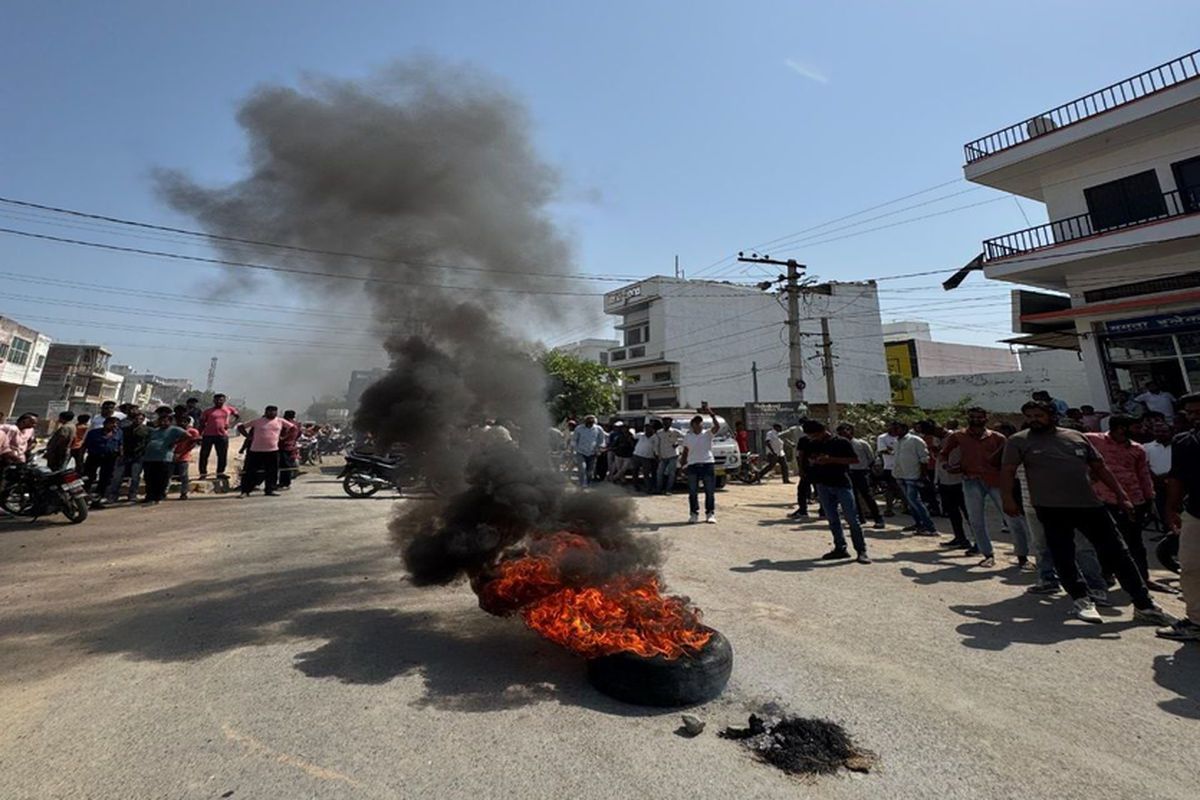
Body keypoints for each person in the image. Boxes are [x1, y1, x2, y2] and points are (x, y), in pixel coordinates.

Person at [1001, 400, 1176, 626]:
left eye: (1039, 415)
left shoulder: (1076, 437)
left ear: (1052, 415)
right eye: (1030, 415)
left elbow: (1100, 468)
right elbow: (1007, 471)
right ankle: (1081, 600)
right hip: (1050, 508)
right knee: (1064, 556)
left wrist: (1122, 496)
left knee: (1119, 553)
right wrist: (1007, 499)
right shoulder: (1019, 441)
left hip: (1089, 505)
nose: (1034, 419)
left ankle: (1144, 604)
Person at [1086, 416, 1173, 593]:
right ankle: (1106, 575)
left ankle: (1143, 578)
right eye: (1136, 427)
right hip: (1104, 499)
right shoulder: (1093, 440)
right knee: (1105, 541)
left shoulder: (1137, 449)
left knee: (1135, 542)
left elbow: (1144, 475)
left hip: (1133, 500)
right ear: (1120, 428)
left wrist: (1149, 499)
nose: (1141, 430)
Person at [942, 408, 1029, 567]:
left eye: (979, 417)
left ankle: (1022, 556)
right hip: (971, 479)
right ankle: (987, 554)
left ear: (985, 419)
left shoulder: (997, 437)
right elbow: (944, 453)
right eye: (973, 417)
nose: (976, 420)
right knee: (976, 520)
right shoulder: (959, 436)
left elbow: (1009, 458)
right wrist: (949, 466)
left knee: (1013, 519)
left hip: (996, 480)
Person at [1160, 392, 1200, 640]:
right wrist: (1171, 508)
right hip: (1196, 513)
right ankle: (1196, 621)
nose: (1196, 417)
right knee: (1191, 568)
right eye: (1192, 413)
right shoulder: (1184, 441)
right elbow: (1177, 478)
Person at [802, 421, 870, 563]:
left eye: (814, 435)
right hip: (823, 484)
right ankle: (840, 548)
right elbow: (808, 459)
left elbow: (854, 460)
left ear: (822, 431)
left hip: (841, 484)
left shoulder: (841, 443)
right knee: (833, 520)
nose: (812, 438)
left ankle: (861, 550)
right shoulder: (813, 444)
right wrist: (814, 462)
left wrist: (831, 460)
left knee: (852, 519)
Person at [892, 422, 937, 537]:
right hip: (900, 474)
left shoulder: (915, 440)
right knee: (910, 502)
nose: (894, 431)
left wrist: (922, 474)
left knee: (915, 501)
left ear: (903, 428)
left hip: (913, 475)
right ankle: (918, 524)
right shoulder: (897, 441)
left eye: (896, 428)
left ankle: (930, 527)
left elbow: (924, 458)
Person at [237, 406, 294, 497]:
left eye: (274, 412)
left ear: (276, 412)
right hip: (256, 450)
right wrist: (248, 436)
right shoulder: (258, 421)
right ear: (266, 412)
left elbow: (293, 428)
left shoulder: (280, 421)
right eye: (269, 411)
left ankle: (269, 489)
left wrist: (284, 437)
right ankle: (245, 491)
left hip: (273, 450)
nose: (271, 413)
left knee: (272, 471)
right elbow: (241, 427)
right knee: (250, 471)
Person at [836, 423, 884, 529]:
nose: (843, 434)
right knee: (852, 497)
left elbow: (871, 458)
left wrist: (870, 471)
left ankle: (878, 518)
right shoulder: (840, 445)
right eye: (840, 433)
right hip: (847, 472)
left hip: (861, 472)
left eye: (845, 431)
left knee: (867, 496)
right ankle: (859, 518)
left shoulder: (861, 443)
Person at [680, 403, 721, 524]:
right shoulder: (688, 437)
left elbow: (717, 427)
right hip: (693, 465)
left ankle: (710, 513)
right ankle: (694, 514)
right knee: (693, 492)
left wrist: (711, 414)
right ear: (692, 425)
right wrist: (682, 466)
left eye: (700, 422)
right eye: (697, 423)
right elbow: (685, 452)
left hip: (707, 464)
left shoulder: (708, 434)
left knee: (709, 491)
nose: (699, 424)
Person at [141, 409, 188, 505]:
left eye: (165, 421)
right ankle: (149, 496)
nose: (163, 422)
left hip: (164, 458)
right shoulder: (155, 431)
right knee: (149, 478)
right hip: (149, 457)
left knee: (161, 478)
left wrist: (175, 442)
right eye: (161, 421)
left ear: (170, 421)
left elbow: (188, 435)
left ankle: (158, 496)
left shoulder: (174, 429)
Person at [107, 411, 148, 504]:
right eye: (136, 418)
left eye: (141, 419)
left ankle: (132, 495)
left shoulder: (146, 430)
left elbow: (147, 443)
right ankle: (113, 495)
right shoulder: (125, 429)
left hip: (138, 457)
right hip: (124, 456)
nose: (138, 420)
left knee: (135, 477)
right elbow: (120, 442)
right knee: (117, 477)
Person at [198, 393, 240, 478]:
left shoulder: (229, 409)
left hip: (222, 435)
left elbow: (237, 416)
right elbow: (202, 423)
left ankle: (220, 473)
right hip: (208, 435)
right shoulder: (208, 411)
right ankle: (203, 473)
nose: (219, 401)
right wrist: (199, 435)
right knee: (204, 455)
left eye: (221, 400)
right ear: (213, 401)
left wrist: (231, 424)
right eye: (217, 400)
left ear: (224, 400)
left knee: (222, 455)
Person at [82, 416, 122, 502]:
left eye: (116, 424)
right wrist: (80, 459)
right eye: (111, 423)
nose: (114, 425)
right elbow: (84, 446)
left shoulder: (119, 433)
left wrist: (120, 457)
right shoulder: (93, 433)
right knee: (88, 478)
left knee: (105, 479)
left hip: (110, 459)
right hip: (94, 457)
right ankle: (83, 499)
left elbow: (120, 445)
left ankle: (98, 499)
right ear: (105, 424)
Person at [1144, 420, 1173, 530]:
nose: (1160, 433)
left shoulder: (1179, 444)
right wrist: (1156, 479)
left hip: (1177, 482)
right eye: (1157, 431)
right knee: (1162, 508)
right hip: (1157, 484)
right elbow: (1145, 465)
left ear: (1171, 431)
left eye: (1164, 431)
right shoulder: (1146, 447)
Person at [875, 422, 905, 516]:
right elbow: (883, 450)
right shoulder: (882, 438)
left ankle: (906, 506)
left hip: (903, 466)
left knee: (903, 487)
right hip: (889, 466)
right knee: (890, 488)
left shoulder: (902, 438)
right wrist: (896, 451)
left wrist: (891, 449)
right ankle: (889, 509)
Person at [569, 415, 607, 487]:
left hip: (592, 453)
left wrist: (600, 449)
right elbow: (574, 440)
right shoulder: (579, 429)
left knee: (590, 472)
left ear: (593, 422)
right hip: (581, 452)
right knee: (582, 469)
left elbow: (601, 440)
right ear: (585, 422)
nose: (589, 424)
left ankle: (588, 484)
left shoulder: (598, 429)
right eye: (588, 423)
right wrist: (572, 450)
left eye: (591, 423)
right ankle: (582, 485)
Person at [172, 412, 201, 500]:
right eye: (180, 421)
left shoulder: (192, 431)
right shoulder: (175, 430)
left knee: (184, 476)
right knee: (168, 475)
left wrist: (181, 453)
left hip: (184, 456)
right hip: (172, 455)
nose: (182, 423)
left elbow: (192, 445)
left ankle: (184, 493)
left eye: (184, 422)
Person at [653, 417, 680, 494]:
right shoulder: (659, 433)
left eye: (668, 422)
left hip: (673, 455)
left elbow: (685, 438)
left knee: (671, 473)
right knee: (659, 473)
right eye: (665, 422)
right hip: (663, 456)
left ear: (671, 423)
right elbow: (656, 444)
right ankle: (659, 489)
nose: (666, 424)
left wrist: (678, 444)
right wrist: (657, 454)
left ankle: (669, 489)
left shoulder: (675, 432)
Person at [278, 409, 302, 489]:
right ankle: (284, 482)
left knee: (284, 465)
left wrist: (282, 438)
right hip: (292, 446)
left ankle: (285, 483)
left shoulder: (285, 424)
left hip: (283, 446)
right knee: (287, 464)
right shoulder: (297, 424)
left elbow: (282, 435)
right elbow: (299, 434)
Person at [632, 422, 658, 492]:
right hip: (637, 455)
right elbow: (632, 437)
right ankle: (636, 486)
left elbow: (656, 448)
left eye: (649, 428)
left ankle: (648, 488)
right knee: (635, 471)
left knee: (646, 473)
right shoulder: (640, 435)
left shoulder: (655, 438)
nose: (647, 430)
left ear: (653, 429)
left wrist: (656, 456)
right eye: (646, 428)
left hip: (647, 457)